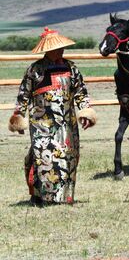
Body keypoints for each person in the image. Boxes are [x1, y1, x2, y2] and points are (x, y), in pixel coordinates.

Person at [8, 28, 96, 205]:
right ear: (47, 50)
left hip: (67, 124)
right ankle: (41, 197)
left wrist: (86, 112)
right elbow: (23, 95)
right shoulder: (35, 70)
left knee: (68, 159)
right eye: (56, 48)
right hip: (41, 124)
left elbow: (81, 93)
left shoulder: (71, 68)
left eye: (61, 48)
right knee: (43, 159)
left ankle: (64, 197)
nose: (60, 51)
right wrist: (18, 118)